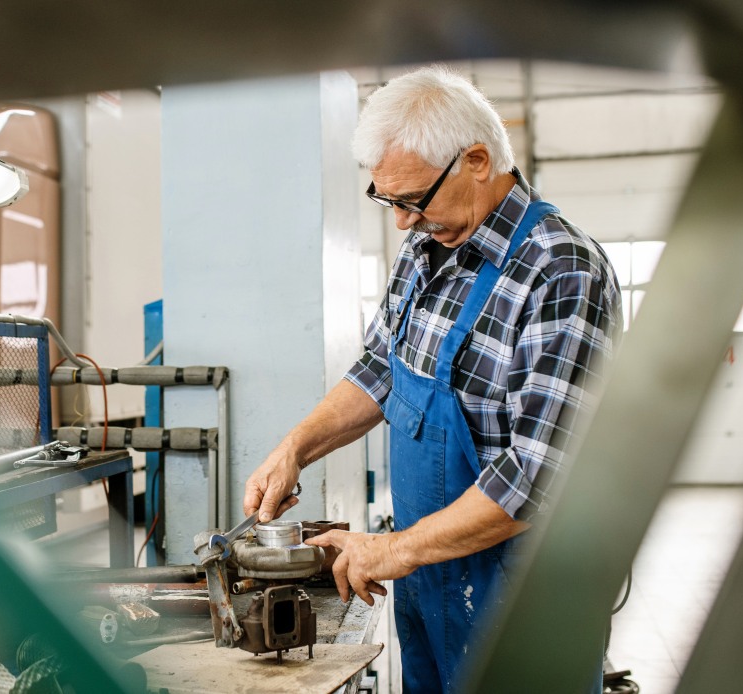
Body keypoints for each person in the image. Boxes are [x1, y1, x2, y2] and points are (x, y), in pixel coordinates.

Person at [242, 65, 622, 693]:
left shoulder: (561, 271)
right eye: (388, 202)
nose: (401, 222)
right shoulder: (426, 247)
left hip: (523, 596)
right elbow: (380, 370)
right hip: (434, 576)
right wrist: (295, 449)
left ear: (476, 160)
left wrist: (388, 552)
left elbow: (534, 477)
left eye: (414, 200)